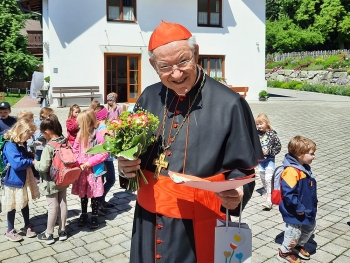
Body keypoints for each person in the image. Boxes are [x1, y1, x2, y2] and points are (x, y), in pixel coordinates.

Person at [117, 21, 263, 263]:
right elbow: (130, 153)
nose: (176, 73)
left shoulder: (230, 104)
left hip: (199, 223)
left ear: (196, 54)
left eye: (183, 61)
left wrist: (238, 190)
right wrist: (125, 167)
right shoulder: (147, 97)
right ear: (154, 65)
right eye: (165, 66)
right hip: (148, 221)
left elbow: (243, 168)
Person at [277, 136, 317, 263]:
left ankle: (297, 245)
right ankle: (284, 252)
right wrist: (298, 206)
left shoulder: (304, 167)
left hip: (307, 207)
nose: (314, 156)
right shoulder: (290, 171)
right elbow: (288, 193)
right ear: (300, 154)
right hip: (294, 209)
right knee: (294, 231)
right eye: (311, 154)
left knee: (310, 227)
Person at [1, 118, 40, 242]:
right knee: (12, 204)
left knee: (24, 201)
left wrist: (28, 155)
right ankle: (10, 229)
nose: (29, 138)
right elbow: (16, 163)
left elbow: (20, 156)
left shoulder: (19, 142)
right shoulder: (10, 144)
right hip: (13, 179)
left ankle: (27, 224)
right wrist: (31, 161)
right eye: (28, 135)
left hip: (22, 177)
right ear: (22, 132)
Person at [33, 114, 69, 244]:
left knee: (52, 206)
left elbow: (43, 167)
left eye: (43, 133)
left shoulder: (49, 147)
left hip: (51, 180)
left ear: (47, 132)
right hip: (63, 177)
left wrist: (35, 163)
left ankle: (48, 234)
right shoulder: (64, 140)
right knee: (63, 203)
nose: (43, 135)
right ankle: (63, 231)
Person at [71, 110, 108, 229]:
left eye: (81, 123)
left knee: (93, 194)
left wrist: (89, 163)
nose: (79, 126)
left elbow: (103, 153)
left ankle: (95, 215)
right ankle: (84, 213)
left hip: (93, 170)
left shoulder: (98, 135)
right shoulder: (80, 135)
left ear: (88, 123)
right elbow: (75, 150)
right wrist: (78, 162)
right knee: (83, 193)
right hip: (82, 170)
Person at [255, 113, 281, 210]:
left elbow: (278, 147)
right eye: (257, 124)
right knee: (261, 174)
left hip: (270, 159)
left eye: (261, 123)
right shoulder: (256, 134)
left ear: (267, 123)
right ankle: (266, 189)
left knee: (268, 177)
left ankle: (269, 199)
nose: (259, 126)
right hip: (260, 160)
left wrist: (270, 151)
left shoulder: (272, 134)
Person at [94, 105, 116, 215]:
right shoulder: (105, 129)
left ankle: (101, 201)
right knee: (111, 180)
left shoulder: (98, 129)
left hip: (100, 159)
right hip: (106, 159)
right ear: (105, 115)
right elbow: (110, 145)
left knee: (101, 182)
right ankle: (99, 202)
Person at [27, 107, 54, 181]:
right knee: (37, 160)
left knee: (45, 159)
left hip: (45, 145)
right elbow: (37, 135)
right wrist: (46, 133)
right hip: (39, 146)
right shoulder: (39, 123)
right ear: (45, 116)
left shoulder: (47, 123)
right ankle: (36, 175)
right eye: (50, 116)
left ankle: (43, 174)